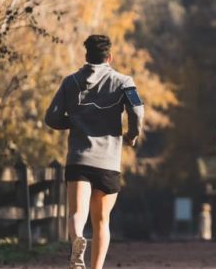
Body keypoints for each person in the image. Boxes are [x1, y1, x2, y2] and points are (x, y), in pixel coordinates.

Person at [45, 35, 145, 269]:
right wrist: (131, 135)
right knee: (101, 221)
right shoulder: (124, 81)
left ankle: (78, 238)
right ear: (109, 57)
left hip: (78, 159)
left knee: (77, 214)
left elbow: (51, 117)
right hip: (108, 162)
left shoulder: (70, 82)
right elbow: (138, 111)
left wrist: (75, 122)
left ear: (86, 55)